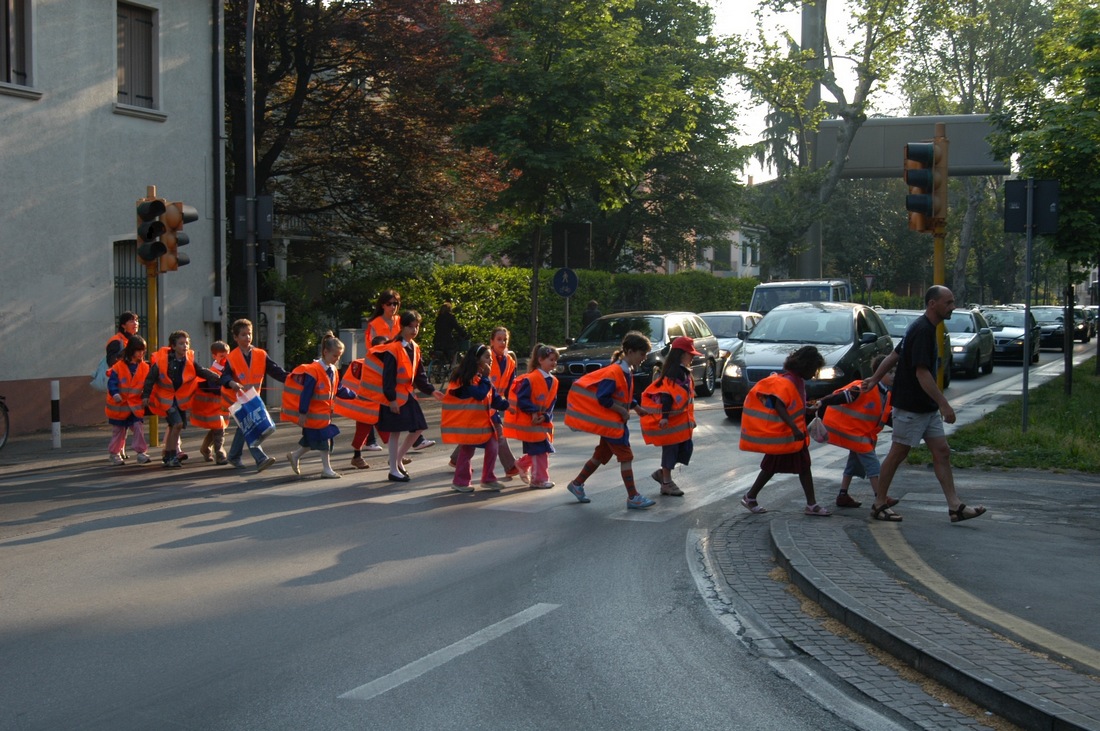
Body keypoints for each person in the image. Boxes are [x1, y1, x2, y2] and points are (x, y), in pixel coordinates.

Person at [862, 285, 987, 523]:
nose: (953, 307)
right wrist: (944, 404)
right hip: (911, 405)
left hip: (925, 406)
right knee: (898, 452)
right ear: (932, 304)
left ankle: (955, 506)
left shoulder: (925, 328)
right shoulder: (922, 331)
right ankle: (879, 503)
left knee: (942, 452)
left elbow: (894, 355)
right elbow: (922, 374)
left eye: (953, 302)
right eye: (948, 303)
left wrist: (875, 378)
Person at [563, 331, 657, 509]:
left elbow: (624, 395)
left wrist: (636, 407)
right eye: (642, 354)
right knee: (626, 457)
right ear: (629, 351)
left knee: (600, 455)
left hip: (613, 425)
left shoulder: (625, 370)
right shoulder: (615, 372)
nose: (644, 358)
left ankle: (577, 484)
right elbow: (603, 398)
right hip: (613, 425)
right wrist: (621, 410)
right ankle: (633, 496)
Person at [738, 345, 831, 516]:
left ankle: (751, 496)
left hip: (789, 435)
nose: (813, 374)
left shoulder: (796, 381)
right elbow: (779, 405)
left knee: (778, 467)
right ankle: (811, 504)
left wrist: (806, 410)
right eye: (813, 370)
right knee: (797, 467)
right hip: (788, 434)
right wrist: (794, 427)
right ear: (805, 366)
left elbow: (789, 404)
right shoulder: (788, 382)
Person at [369, 310, 445, 481]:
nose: (414, 330)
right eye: (411, 326)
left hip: (407, 394)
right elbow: (387, 377)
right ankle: (393, 470)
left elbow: (419, 375)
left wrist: (431, 390)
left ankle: (396, 460)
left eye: (417, 327)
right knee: (395, 432)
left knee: (419, 427)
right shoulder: (393, 348)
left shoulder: (415, 348)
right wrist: (392, 399)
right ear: (402, 327)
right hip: (395, 396)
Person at [142, 330, 234, 469]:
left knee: (175, 427)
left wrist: (220, 379)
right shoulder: (162, 361)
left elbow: (202, 371)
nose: (185, 346)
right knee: (177, 424)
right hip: (167, 399)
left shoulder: (189, 360)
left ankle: (168, 455)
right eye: (181, 343)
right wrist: (146, 396)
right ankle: (171, 456)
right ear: (173, 346)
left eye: (186, 343)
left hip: (179, 400)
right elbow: (150, 379)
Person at [817, 353, 896, 508]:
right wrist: (821, 402)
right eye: (890, 372)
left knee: (853, 464)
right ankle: (881, 497)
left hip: (860, 435)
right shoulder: (865, 387)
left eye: (895, 372)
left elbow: (885, 417)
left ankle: (843, 495)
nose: (894, 376)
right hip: (856, 434)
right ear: (878, 372)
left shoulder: (886, 394)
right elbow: (842, 396)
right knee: (873, 466)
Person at [449, 326, 521, 479]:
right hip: (481, 403)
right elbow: (479, 385)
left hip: (492, 401)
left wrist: (509, 404)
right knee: (496, 436)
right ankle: (508, 467)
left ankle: (458, 461)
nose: (502, 342)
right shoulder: (485, 357)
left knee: (473, 438)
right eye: (499, 339)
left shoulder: (510, 361)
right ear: (492, 341)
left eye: (505, 339)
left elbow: (510, 384)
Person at [283, 332, 358, 479]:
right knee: (325, 441)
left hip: (323, 415)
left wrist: (354, 395)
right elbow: (306, 393)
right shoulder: (314, 370)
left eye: (339, 356)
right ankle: (326, 469)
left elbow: (338, 389)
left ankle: (295, 455)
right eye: (335, 356)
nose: (337, 359)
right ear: (325, 352)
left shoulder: (333, 371)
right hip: (313, 415)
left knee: (311, 441)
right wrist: (303, 413)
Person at [440, 343, 510, 492]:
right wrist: (485, 378)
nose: (490, 360)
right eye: (487, 357)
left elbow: (494, 398)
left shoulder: (481, 378)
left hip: (482, 424)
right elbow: (480, 395)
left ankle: (488, 479)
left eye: (490, 357)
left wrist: (507, 405)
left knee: (492, 447)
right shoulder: (466, 378)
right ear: (477, 360)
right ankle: (460, 481)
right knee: (467, 451)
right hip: (469, 424)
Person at [222, 318, 288, 472]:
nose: (248, 337)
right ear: (236, 338)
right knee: (250, 427)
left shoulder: (260, 354)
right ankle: (260, 459)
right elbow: (225, 377)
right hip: (237, 399)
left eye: (249, 334)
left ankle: (233, 455)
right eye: (243, 335)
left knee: (244, 429)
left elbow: (276, 371)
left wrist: (292, 378)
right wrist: (232, 383)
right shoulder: (231, 357)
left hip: (253, 399)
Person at [639, 336, 700, 497]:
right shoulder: (674, 374)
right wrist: (665, 417)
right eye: (690, 354)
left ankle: (662, 474)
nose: (693, 357)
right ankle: (666, 482)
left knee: (685, 449)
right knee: (670, 451)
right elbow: (667, 396)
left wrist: (691, 420)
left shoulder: (684, 372)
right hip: (671, 423)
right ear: (681, 354)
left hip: (681, 423)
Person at [504, 343, 559, 489]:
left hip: (542, 422)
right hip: (530, 423)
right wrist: (534, 411)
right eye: (551, 359)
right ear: (540, 360)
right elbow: (523, 400)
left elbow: (552, 402)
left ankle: (521, 464)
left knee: (541, 450)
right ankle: (539, 480)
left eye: (555, 360)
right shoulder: (530, 379)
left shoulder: (554, 381)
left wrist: (546, 416)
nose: (554, 363)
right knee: (541, 451)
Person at [105, 335, 151, 465]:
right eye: (139, 350)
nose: (142, 353)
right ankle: (114, 453)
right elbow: (112, 383)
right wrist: (115, 394)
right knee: (119, 431)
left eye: (143, 350)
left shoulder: (144, 367)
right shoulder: (119, 367)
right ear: (131, 350)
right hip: (120, 407)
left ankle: (141, 452)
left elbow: (148, 384)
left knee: (138, 427)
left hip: (135, 407)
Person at [191, 340, 231, 465]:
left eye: (226, 355)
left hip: (222, 406)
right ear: (214, 356)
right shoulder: (213, 371)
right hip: (214, 407)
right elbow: (215, 388)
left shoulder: (227, 370)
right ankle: (220, 453)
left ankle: (205, 448)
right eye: (221, 356)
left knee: (217, 429)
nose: (225, 359)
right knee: (219, 429)